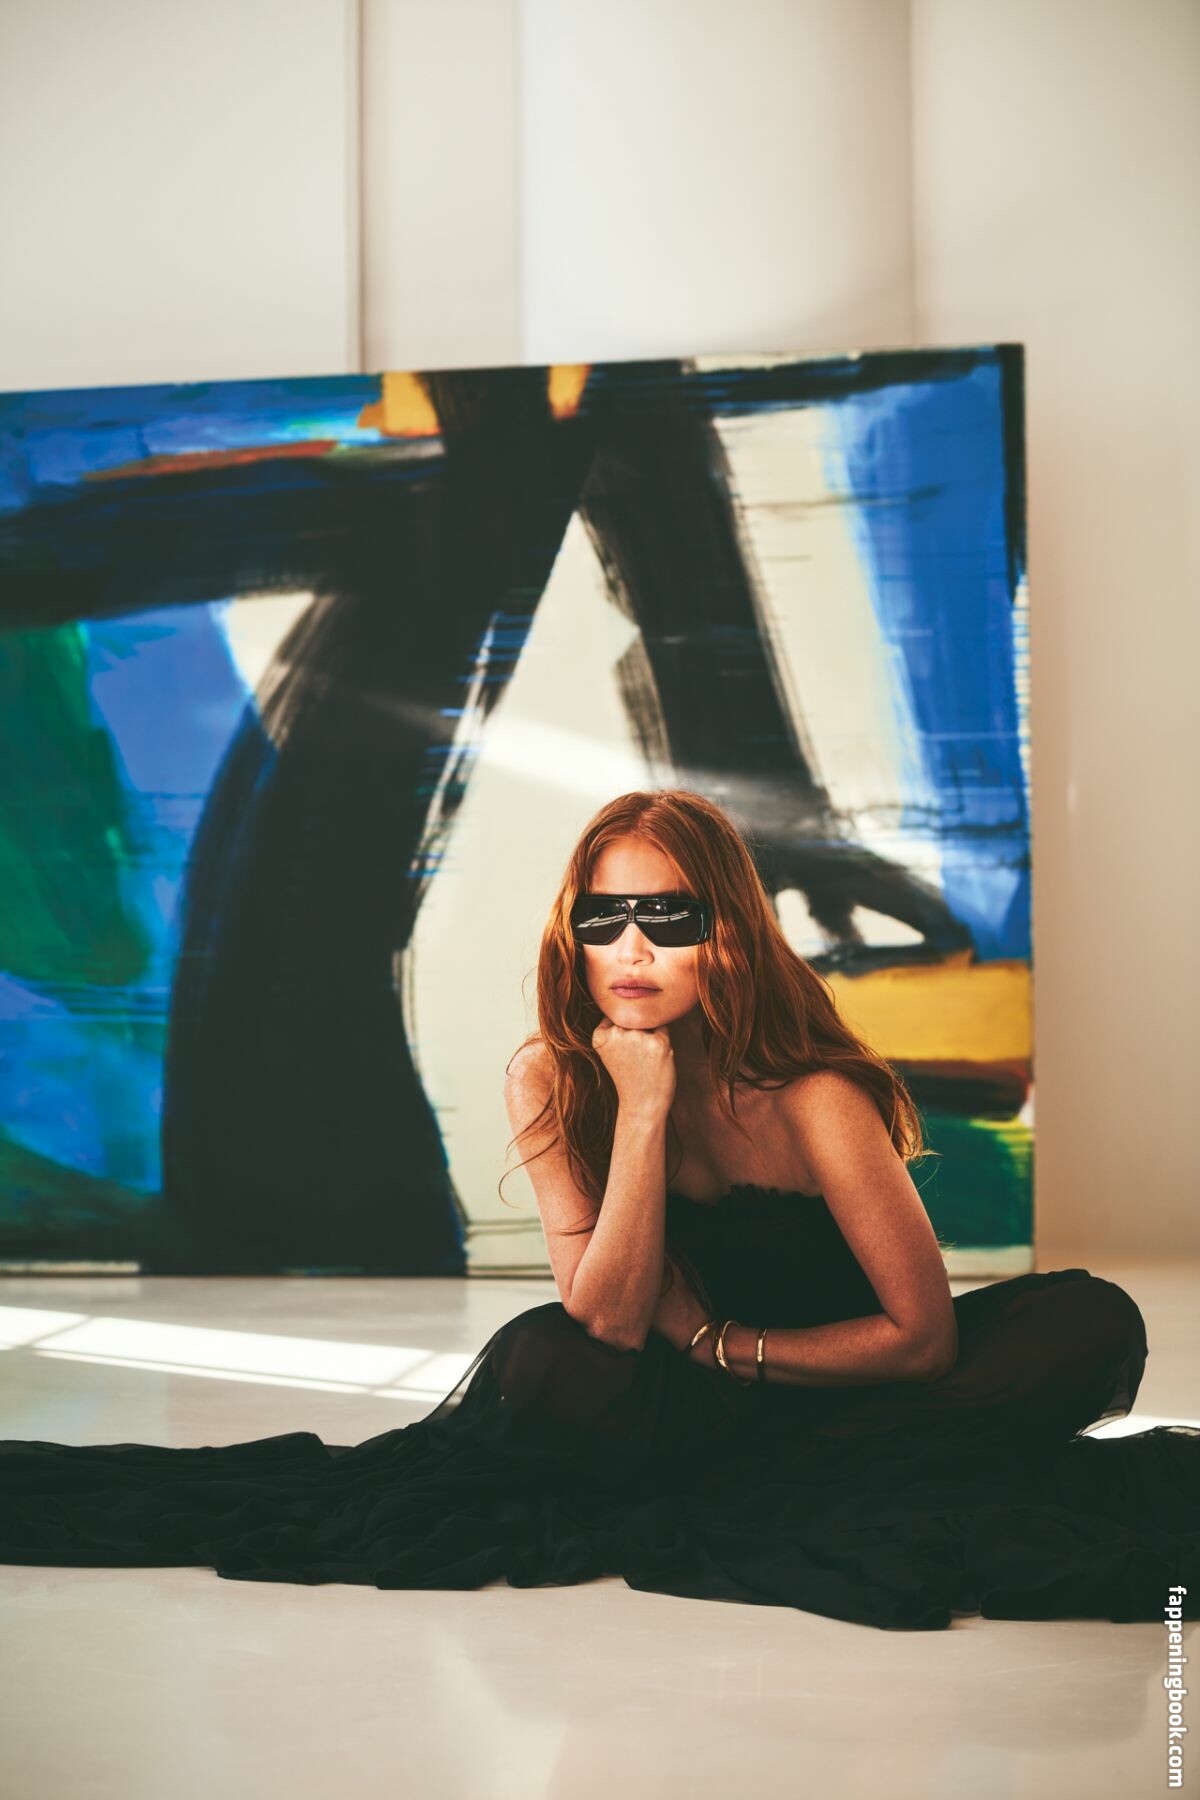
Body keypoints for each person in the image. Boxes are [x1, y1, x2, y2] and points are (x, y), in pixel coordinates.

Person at [0, 789, 1195, 1630]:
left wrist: (722, 1343)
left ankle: (782, 1472)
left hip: (854, 1393)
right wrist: (640, 1112)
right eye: (604, 920)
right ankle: (750, 1470)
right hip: (673, 1406)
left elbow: (922, 1339)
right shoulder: (553, 1076)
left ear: (727, 935)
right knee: (543, 1362)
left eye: (667, 919)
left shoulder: (816, 1096)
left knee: (1084, 1322)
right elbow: (611, 1319)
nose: (631, 949)